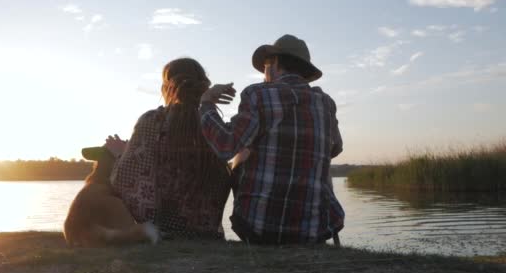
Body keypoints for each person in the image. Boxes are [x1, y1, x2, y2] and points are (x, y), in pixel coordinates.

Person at [199, 34, 345, 244]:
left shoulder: (258, 95)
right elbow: (335, 148)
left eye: (265, 65)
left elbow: (225, 146)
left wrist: (206, 104)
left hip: (257, 229)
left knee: (240, 155)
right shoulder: (326, 103)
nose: (263, 74)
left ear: (274, 63)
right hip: (313, 232)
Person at [106, 57, 232, 239]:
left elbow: (123, 179)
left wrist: (120, 154)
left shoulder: (151, 121)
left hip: (163, 230)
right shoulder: (212, 122)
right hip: (207, 231)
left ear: (166, 87)